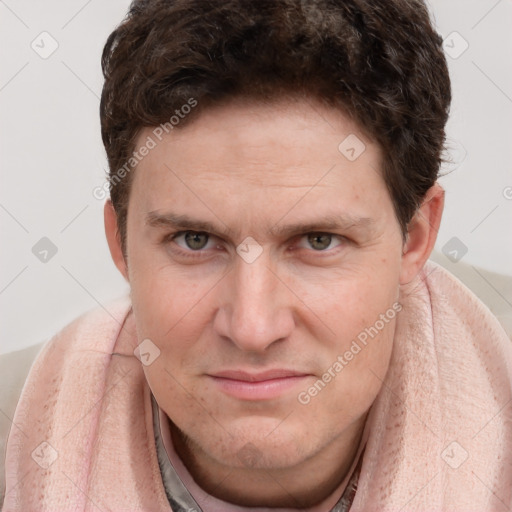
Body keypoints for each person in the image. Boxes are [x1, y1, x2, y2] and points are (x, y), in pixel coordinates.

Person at [2, 0, 512, 510]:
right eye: (195, 241)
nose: (252, 328)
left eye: (318, 241)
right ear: (121, 244)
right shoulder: (13, 432)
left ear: (416, 238)